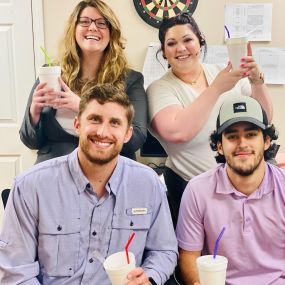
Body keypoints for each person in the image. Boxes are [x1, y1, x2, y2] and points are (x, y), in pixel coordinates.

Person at [0, 84, 178, 285]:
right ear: (77, 125)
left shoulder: (148, 184)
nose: (103, 132)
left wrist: (150, 278)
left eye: (114, 123)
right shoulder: (30, 186)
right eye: (94, 119)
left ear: (127, 134)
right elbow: (15, 271)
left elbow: (164, 250)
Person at [146, 13, 273, 227]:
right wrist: (216, 88)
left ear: (200, 43)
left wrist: (256, 79)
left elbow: (264, 118)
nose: (181, 48)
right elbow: (177, 132)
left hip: (240, 184)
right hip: (192, 189)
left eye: (188, 40)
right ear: (164, 52)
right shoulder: (159, 88)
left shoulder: (224, 73)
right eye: (171, 43)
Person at [20, 0, 147, 163]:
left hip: (109, 173)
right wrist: (34, 112)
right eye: (85, 22)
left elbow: (136, 138)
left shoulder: (131, 80)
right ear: (74, 29)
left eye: (101, 23)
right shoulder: (51, 73)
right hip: (54, 170)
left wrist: (82, 107)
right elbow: (30, 141)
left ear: (111, 33)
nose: (93, 28)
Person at [176, 95, 284, 285]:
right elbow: (188, 256)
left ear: (266, 141)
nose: (242, 144)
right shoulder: (197, 190)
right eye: (232, 136)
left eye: (251, 134)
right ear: (219, 146)